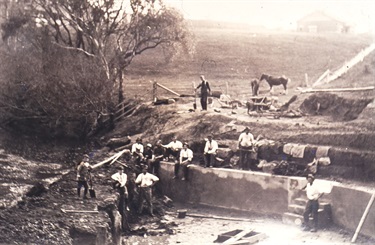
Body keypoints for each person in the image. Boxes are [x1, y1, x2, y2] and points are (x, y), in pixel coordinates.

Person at [111, 166, 129, 230]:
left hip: (122, 186)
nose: (121, 171)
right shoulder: (116, 175)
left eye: (122, 170)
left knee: (126, 193)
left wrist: (121, 184)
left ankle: (127, 205)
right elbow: (113, 177)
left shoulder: (124, 175)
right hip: (118, 186)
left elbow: (124, 181)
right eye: (119, 170)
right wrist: (118, 182)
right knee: (116, 184)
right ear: (118, 170)